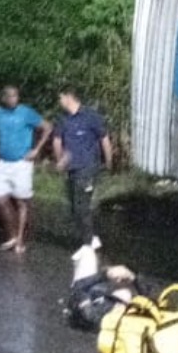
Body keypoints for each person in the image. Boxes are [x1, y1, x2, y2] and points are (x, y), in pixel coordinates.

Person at [0, 86, 52, 254]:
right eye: (9, 96)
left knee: (21, 201)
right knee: (0, 198)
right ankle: (12, 235)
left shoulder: (25, 113)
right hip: (4, 162)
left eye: (15, 96)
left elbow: (47, 127)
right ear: (3, 98)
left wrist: (37, 149)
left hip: (21, 162)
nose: (13, 99)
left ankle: (20, 240)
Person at [52, 86, 113, 248]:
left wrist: (108, 162)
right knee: (74, 207)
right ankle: (91, 237)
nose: (59, 101)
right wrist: (60, 161)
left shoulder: (90, 117)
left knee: (82, 206)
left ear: (68, 97)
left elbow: (104, 139)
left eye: (60, 97)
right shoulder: (62, 119)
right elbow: (57, 141)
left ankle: (87, 245)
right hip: (71, 169)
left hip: (87, 167)